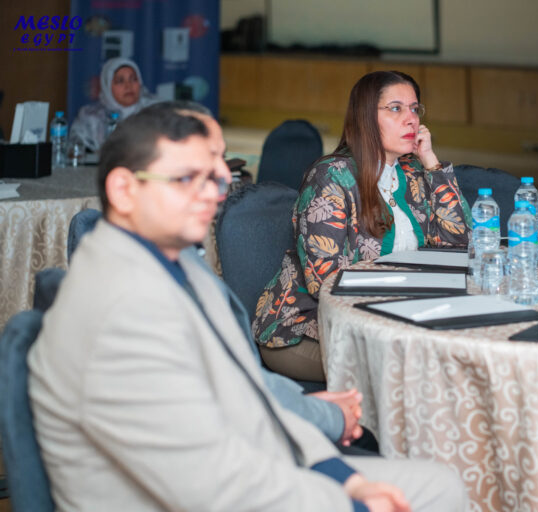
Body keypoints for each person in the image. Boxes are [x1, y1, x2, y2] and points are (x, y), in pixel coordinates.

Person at [28, 107, 467, 511]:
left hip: (248, 459)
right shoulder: (117, 315)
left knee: (442, 485)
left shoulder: (179, 265)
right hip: (197, 493)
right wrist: (353, 503)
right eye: (190, 177)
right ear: (124, 190)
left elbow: (246, 391)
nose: (214, 194)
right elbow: (214, 486)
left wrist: (341, 475)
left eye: (216, 174)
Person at [140, 100, 367, 448]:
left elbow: (239, 377)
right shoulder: (138, 290)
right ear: (124, 188)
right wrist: (326, 421)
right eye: (196, 167)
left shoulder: (183, 264)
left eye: (221, 161)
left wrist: (315, 416)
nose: (223, 178)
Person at [252, 71, 471, 382]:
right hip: (307, 331)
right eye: (395, 108)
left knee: (449, 359)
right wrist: (406, 291)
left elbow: (459, 244)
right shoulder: (330, 177)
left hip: (391, 323)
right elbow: (325, 281)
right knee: (414, 370)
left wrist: (431, 162)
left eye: (414, 109)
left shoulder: (413, 172)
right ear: (366, 117)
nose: (411, 119)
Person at [70, 57, 158, 152]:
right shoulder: (90, 117)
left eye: (133, 79)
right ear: (107, 85)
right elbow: (75, 151)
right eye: (120, 81)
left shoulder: (156, 112)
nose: (128, 86)